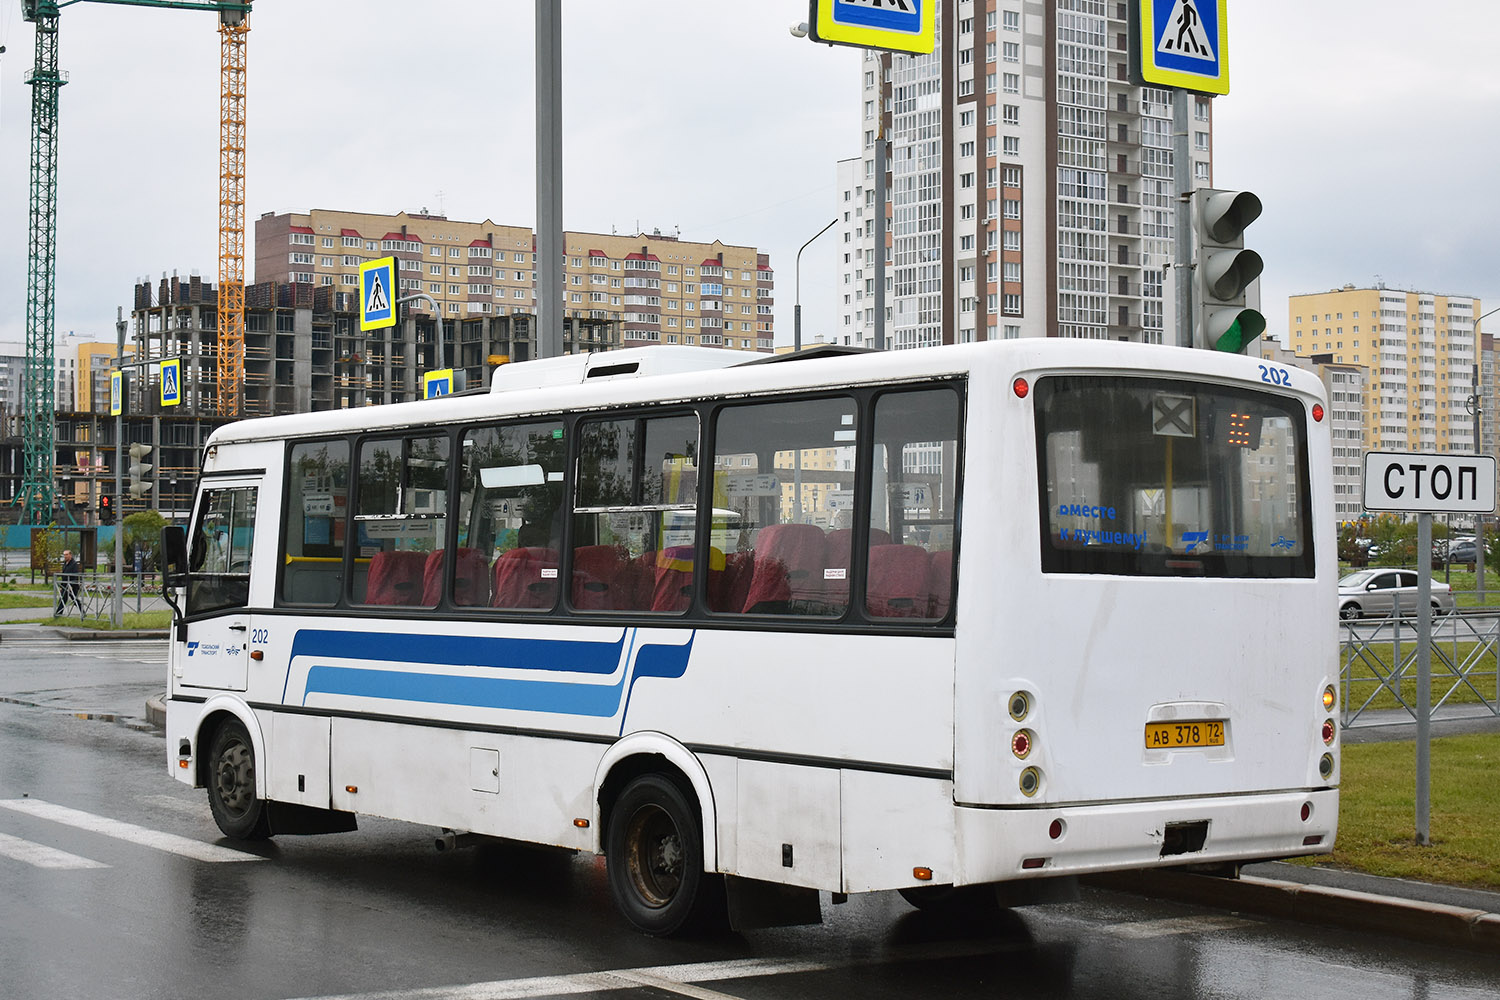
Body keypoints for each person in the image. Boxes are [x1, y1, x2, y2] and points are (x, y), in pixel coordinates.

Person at [56, 549, 82, 616]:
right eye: (64, 555)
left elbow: (75, 576)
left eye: (67, 555)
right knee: (62, 599)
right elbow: (63, 575)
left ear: (70, 555)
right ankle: (58, 614)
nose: (65, 556)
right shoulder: (65, 564)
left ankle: (82, 612)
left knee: (75, 600)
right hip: (65, 585)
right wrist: (61, 586)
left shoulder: (74, 564)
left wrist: (71, 585)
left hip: (72, 586)